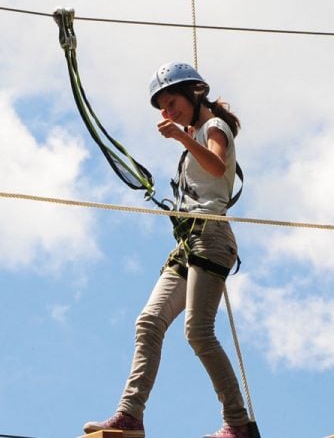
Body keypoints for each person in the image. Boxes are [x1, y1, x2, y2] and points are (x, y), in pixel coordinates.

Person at [85, 62, 253, 438]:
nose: (168, 112)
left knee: (199, 332)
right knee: (149, 322)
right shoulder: (194, 133)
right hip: (189, 242)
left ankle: (237, 423)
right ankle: (130, 415)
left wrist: (181, 137)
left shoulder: (214, 127)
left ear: (195, 94)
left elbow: (216, 166)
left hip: (211, 238)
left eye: (172, 103)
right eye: (163, 108)